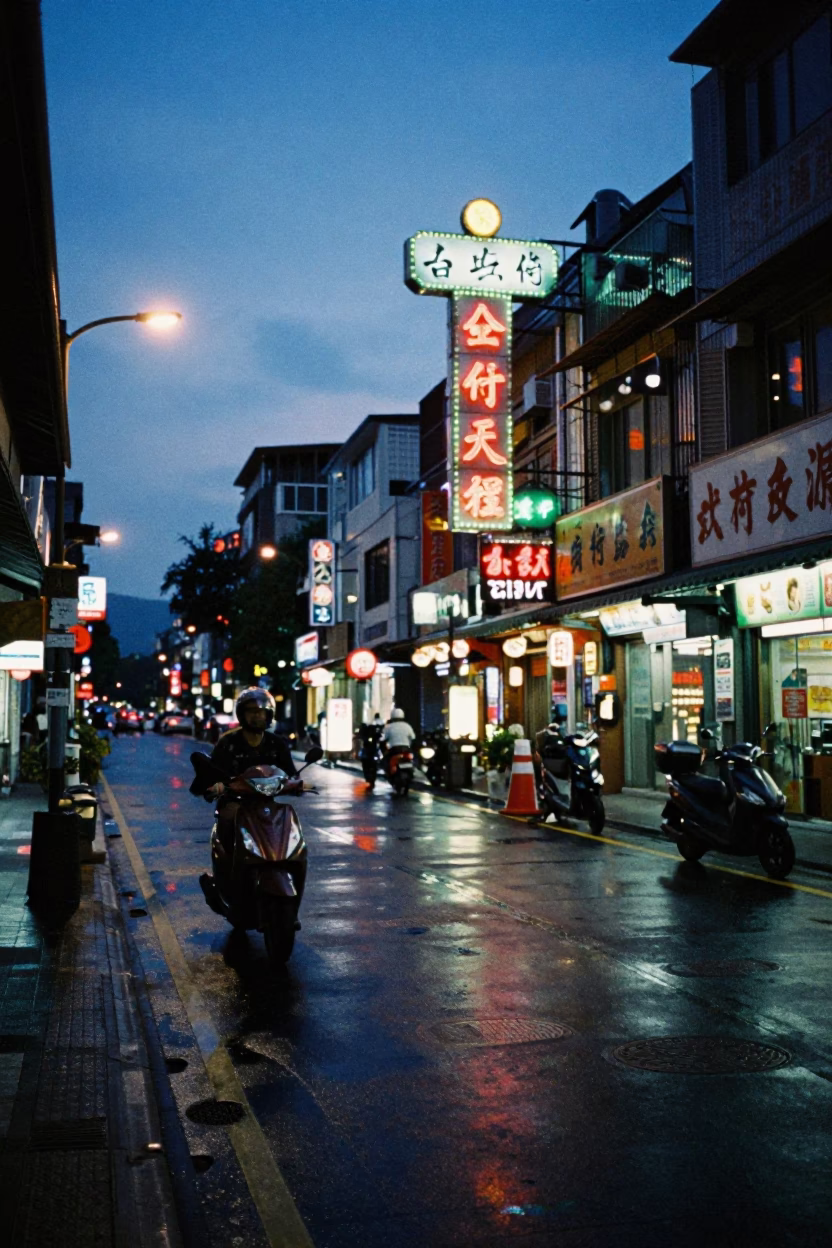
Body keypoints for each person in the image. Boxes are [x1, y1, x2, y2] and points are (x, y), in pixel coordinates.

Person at [381, 707, 415, 777]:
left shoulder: (388, 727)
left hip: (394, 750)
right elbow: (413, 737)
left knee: (386, 761)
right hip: (406, 749)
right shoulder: (407, 726)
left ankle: (389, 773)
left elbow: (382, 739)